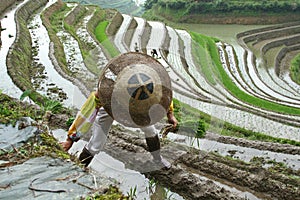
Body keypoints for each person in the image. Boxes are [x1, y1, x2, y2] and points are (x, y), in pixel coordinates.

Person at [61, 52, 178, 169]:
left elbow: (164, 98)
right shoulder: (105, 93)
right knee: (96, 143)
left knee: (151, 131)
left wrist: (170, 114)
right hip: (110, 108)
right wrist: (70, 139)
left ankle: (157, 159)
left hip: (136, 110)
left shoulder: (153, 85)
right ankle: (79, 169)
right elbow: (86, 114)